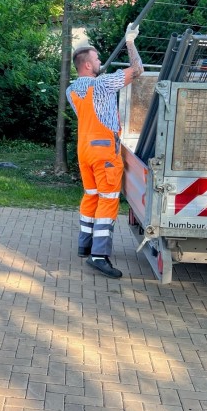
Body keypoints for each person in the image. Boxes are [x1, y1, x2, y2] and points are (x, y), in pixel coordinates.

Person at [66, 24, 144, 279]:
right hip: (105, 153)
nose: (100, 61)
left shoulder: (71, 90)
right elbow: (138, 70)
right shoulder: (103, 85)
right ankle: (99, 256)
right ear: (87, 65)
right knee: (108, 200)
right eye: (97, 58)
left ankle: (84, 244)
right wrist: (130, 42)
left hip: (84, 152)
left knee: (91, 195)